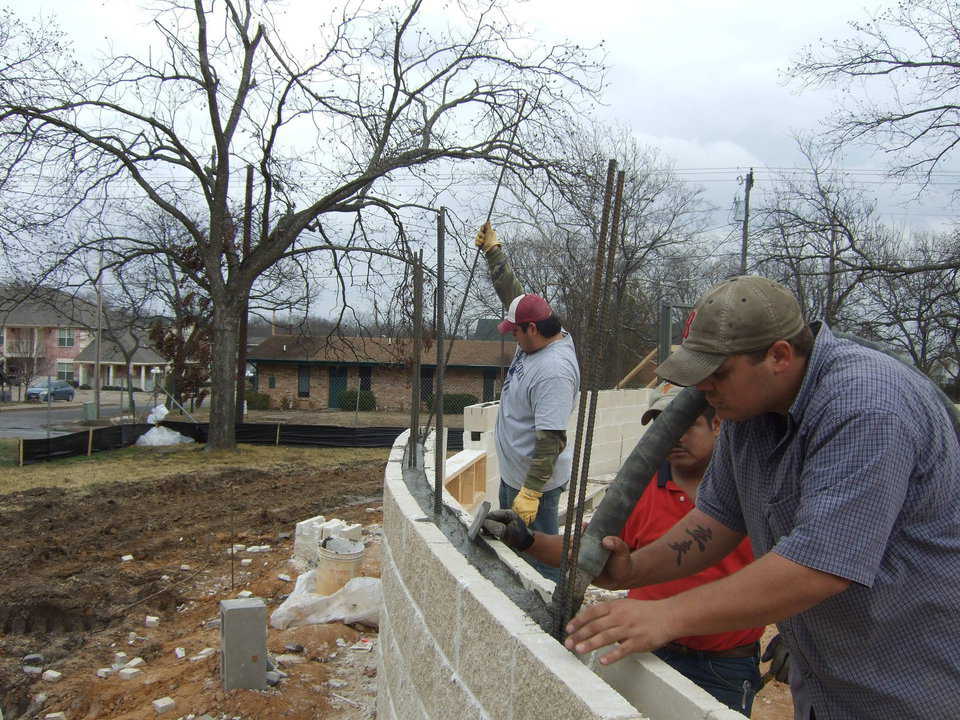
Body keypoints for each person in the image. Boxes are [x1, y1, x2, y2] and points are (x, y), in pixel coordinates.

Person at [562, 275, 960, 720]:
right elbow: (716, 521)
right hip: (828, 681)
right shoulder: (749, 410)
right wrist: (636, 568)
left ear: (779, 356)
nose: (704, 390)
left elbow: (818, 566)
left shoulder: (866, 406)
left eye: (718, 374)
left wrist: (666, 616)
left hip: (912, 684)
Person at [484, 383, 764, 715]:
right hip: (647, 652)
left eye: (684, 425)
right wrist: (526, 539)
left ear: (716, 424)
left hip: (723, 665)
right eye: (662, 427)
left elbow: (796, 562)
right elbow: (588, 552)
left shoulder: (752, 490)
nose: (672, 436)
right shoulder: (638, 491)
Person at [474, 221, 579, 582]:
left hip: (536, 486)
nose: (512, 336)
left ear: (532, 329)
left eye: (515, 332)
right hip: (514, 474)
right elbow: (515, 300)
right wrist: (494, 254)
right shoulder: (540, 331)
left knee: (539, 560)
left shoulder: (553, 371)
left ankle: (550, 622)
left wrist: (531, 493)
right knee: (515, 554)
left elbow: (551, 440)